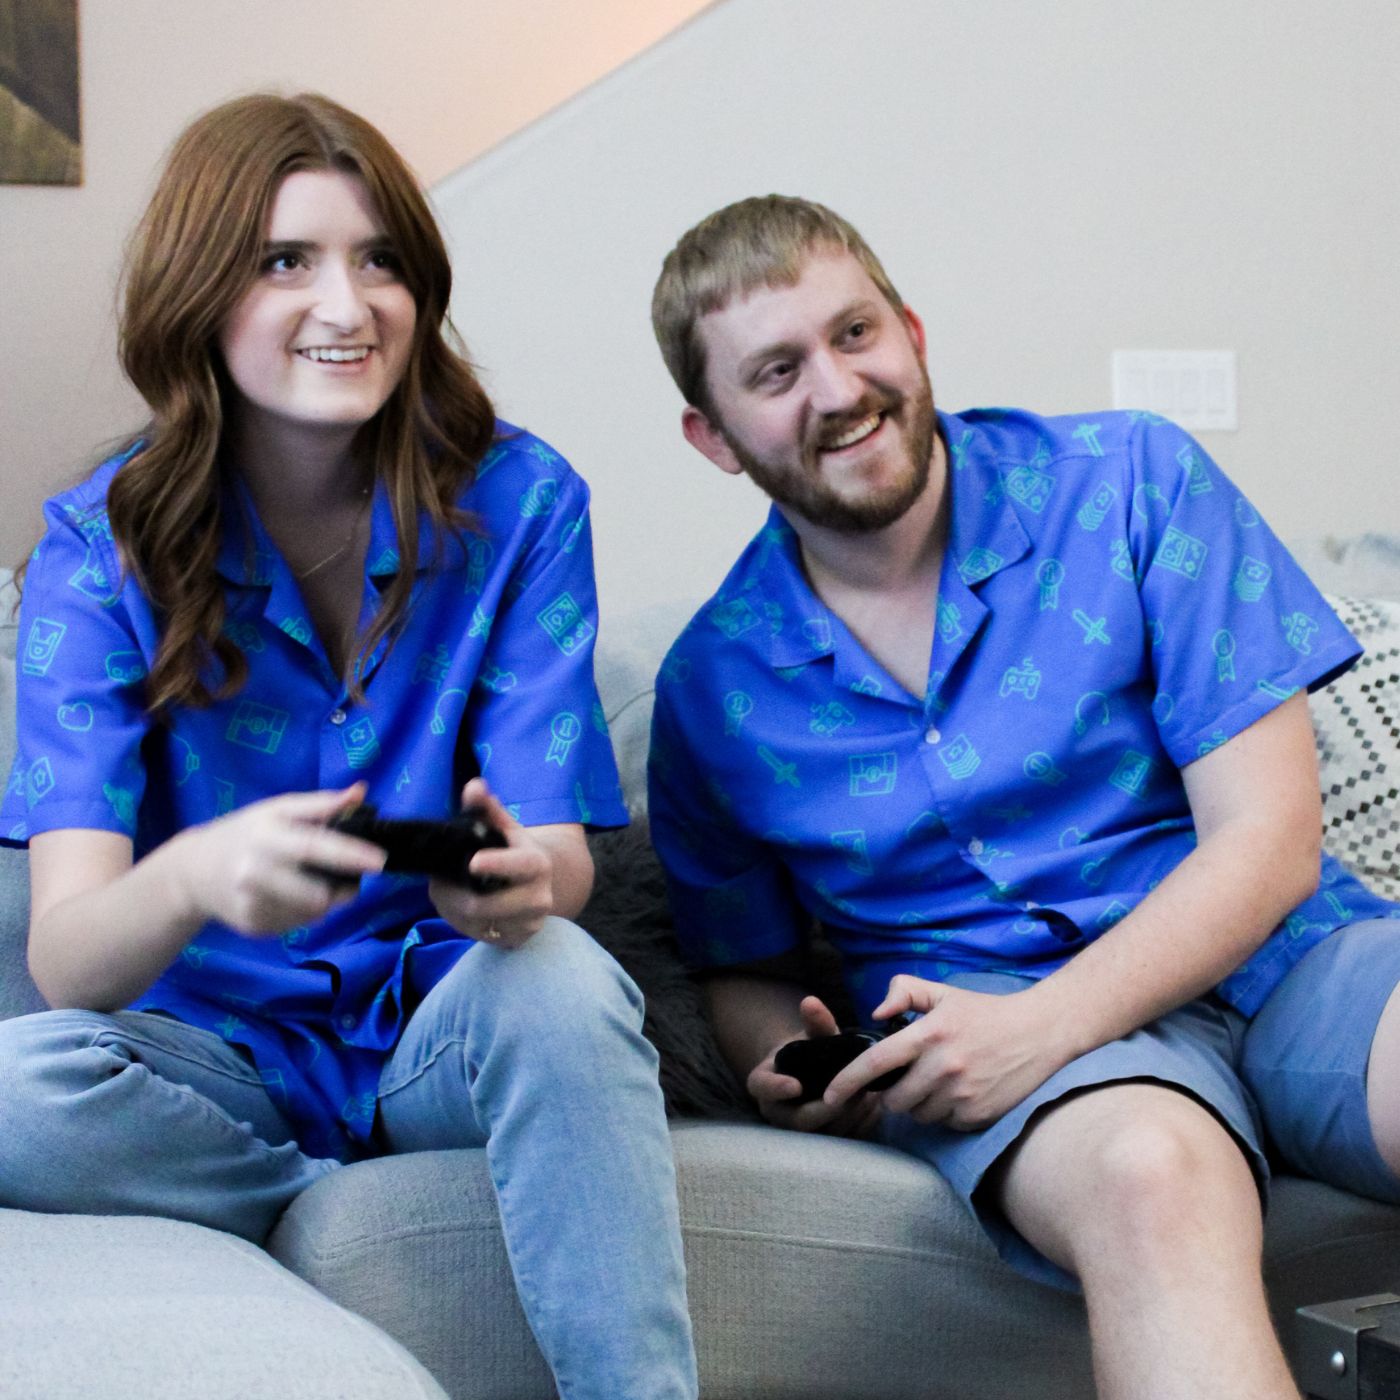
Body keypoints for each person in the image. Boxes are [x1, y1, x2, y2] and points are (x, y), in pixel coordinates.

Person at [0, 93, 697, 1400]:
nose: (348, 302)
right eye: (286, 261)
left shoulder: (523, 501)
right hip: (213, 1059)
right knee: (13, 1089)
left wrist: (512, 884)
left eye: (381, 259)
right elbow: (69, 952)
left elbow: (557, 859)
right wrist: (199, 877)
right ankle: (314, 1189)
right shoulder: (97, 551)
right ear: (198, 292)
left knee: (562, 982)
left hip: (446, 1011)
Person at [645, 194, 1399, 1399]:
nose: (836, 389)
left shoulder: (1131, 480)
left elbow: (1267, 844)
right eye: (775, 370)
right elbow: (739, 960)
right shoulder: (711, 685)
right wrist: (781, 1059)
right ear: (713, 434)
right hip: (994, 1025)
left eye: (853, 334)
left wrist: (1038, 1026)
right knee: (1151, 1174)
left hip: (1278, 956)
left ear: (911, 328)